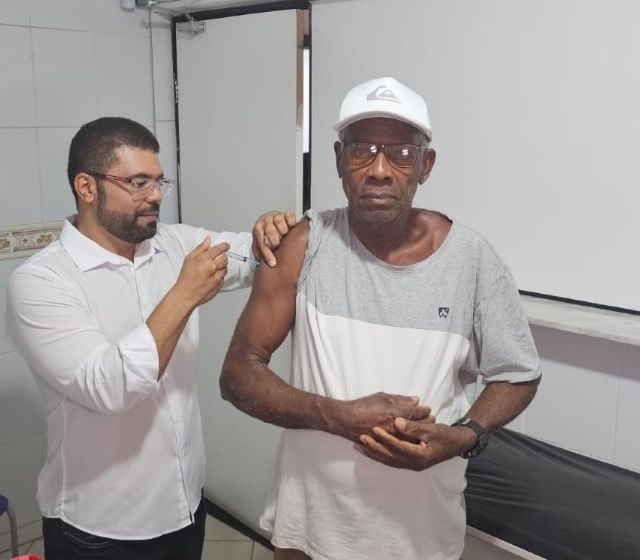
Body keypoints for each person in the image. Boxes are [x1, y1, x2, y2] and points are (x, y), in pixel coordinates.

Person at [220, 77, 542, 560]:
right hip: (309, 527)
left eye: (401, 154)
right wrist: (337, 416)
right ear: (338, 160)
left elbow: (518, 374)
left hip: (419, 535)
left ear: (425, 165)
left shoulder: (470, 259)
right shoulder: (303, 244)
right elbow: (237, 375)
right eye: (361, 150)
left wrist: (462, 437)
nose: (379, 170)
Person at [4, 116, 295, 560]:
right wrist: (184, 294)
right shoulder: (41, 283)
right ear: (87, 187)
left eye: (159, 182)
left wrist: (269, 232)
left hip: (184, 505)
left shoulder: (174, 245)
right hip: (100, 527)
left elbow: (256, 256)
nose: (156, 195)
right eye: (138, 183)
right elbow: (110, 388)